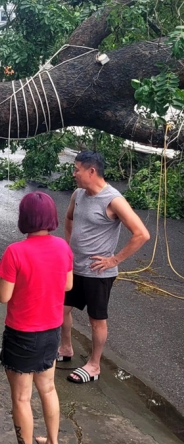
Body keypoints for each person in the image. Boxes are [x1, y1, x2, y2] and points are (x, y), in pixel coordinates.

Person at [59, 151, 150, 384]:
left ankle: (94, 365)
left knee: (96, 320)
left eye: (77, 169)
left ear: (91, 171)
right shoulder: (78, 195)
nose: (73, 173)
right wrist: (67, 248)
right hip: (74, 268)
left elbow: (141, 234)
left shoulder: (113, 200)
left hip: (98, 273)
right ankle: (66, 348)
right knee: (61, 310)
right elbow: (69, 219)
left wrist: (114, 260)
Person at [0, 192, 73, 444]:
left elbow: (3, 296)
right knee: (48, 388)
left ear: (24, 218)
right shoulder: (63, 247)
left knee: (21, 398)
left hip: (21, 336)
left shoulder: (15, 252)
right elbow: (68, 285)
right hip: (51, 332)